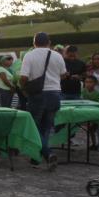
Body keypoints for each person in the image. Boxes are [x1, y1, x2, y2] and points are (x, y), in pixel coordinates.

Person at [19, 32, 66, 170]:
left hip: (37, 95)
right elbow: (63, 74)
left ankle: (47, 153)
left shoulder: (30, 55)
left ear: (34, 43)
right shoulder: (57, 55)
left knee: (34, 126)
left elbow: (23, 77)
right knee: (46, 128)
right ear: (49, 42)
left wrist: (25, 88)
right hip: (55, 94)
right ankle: (36, 158)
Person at [82, 75, 99, 151]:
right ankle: (94, 144)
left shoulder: (98, 94)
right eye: (86, 82)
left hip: (96, 114)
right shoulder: (83, 91)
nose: (88, 84)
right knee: (90, 130)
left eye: (90, 82)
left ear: (95, 83)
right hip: (87, 113)